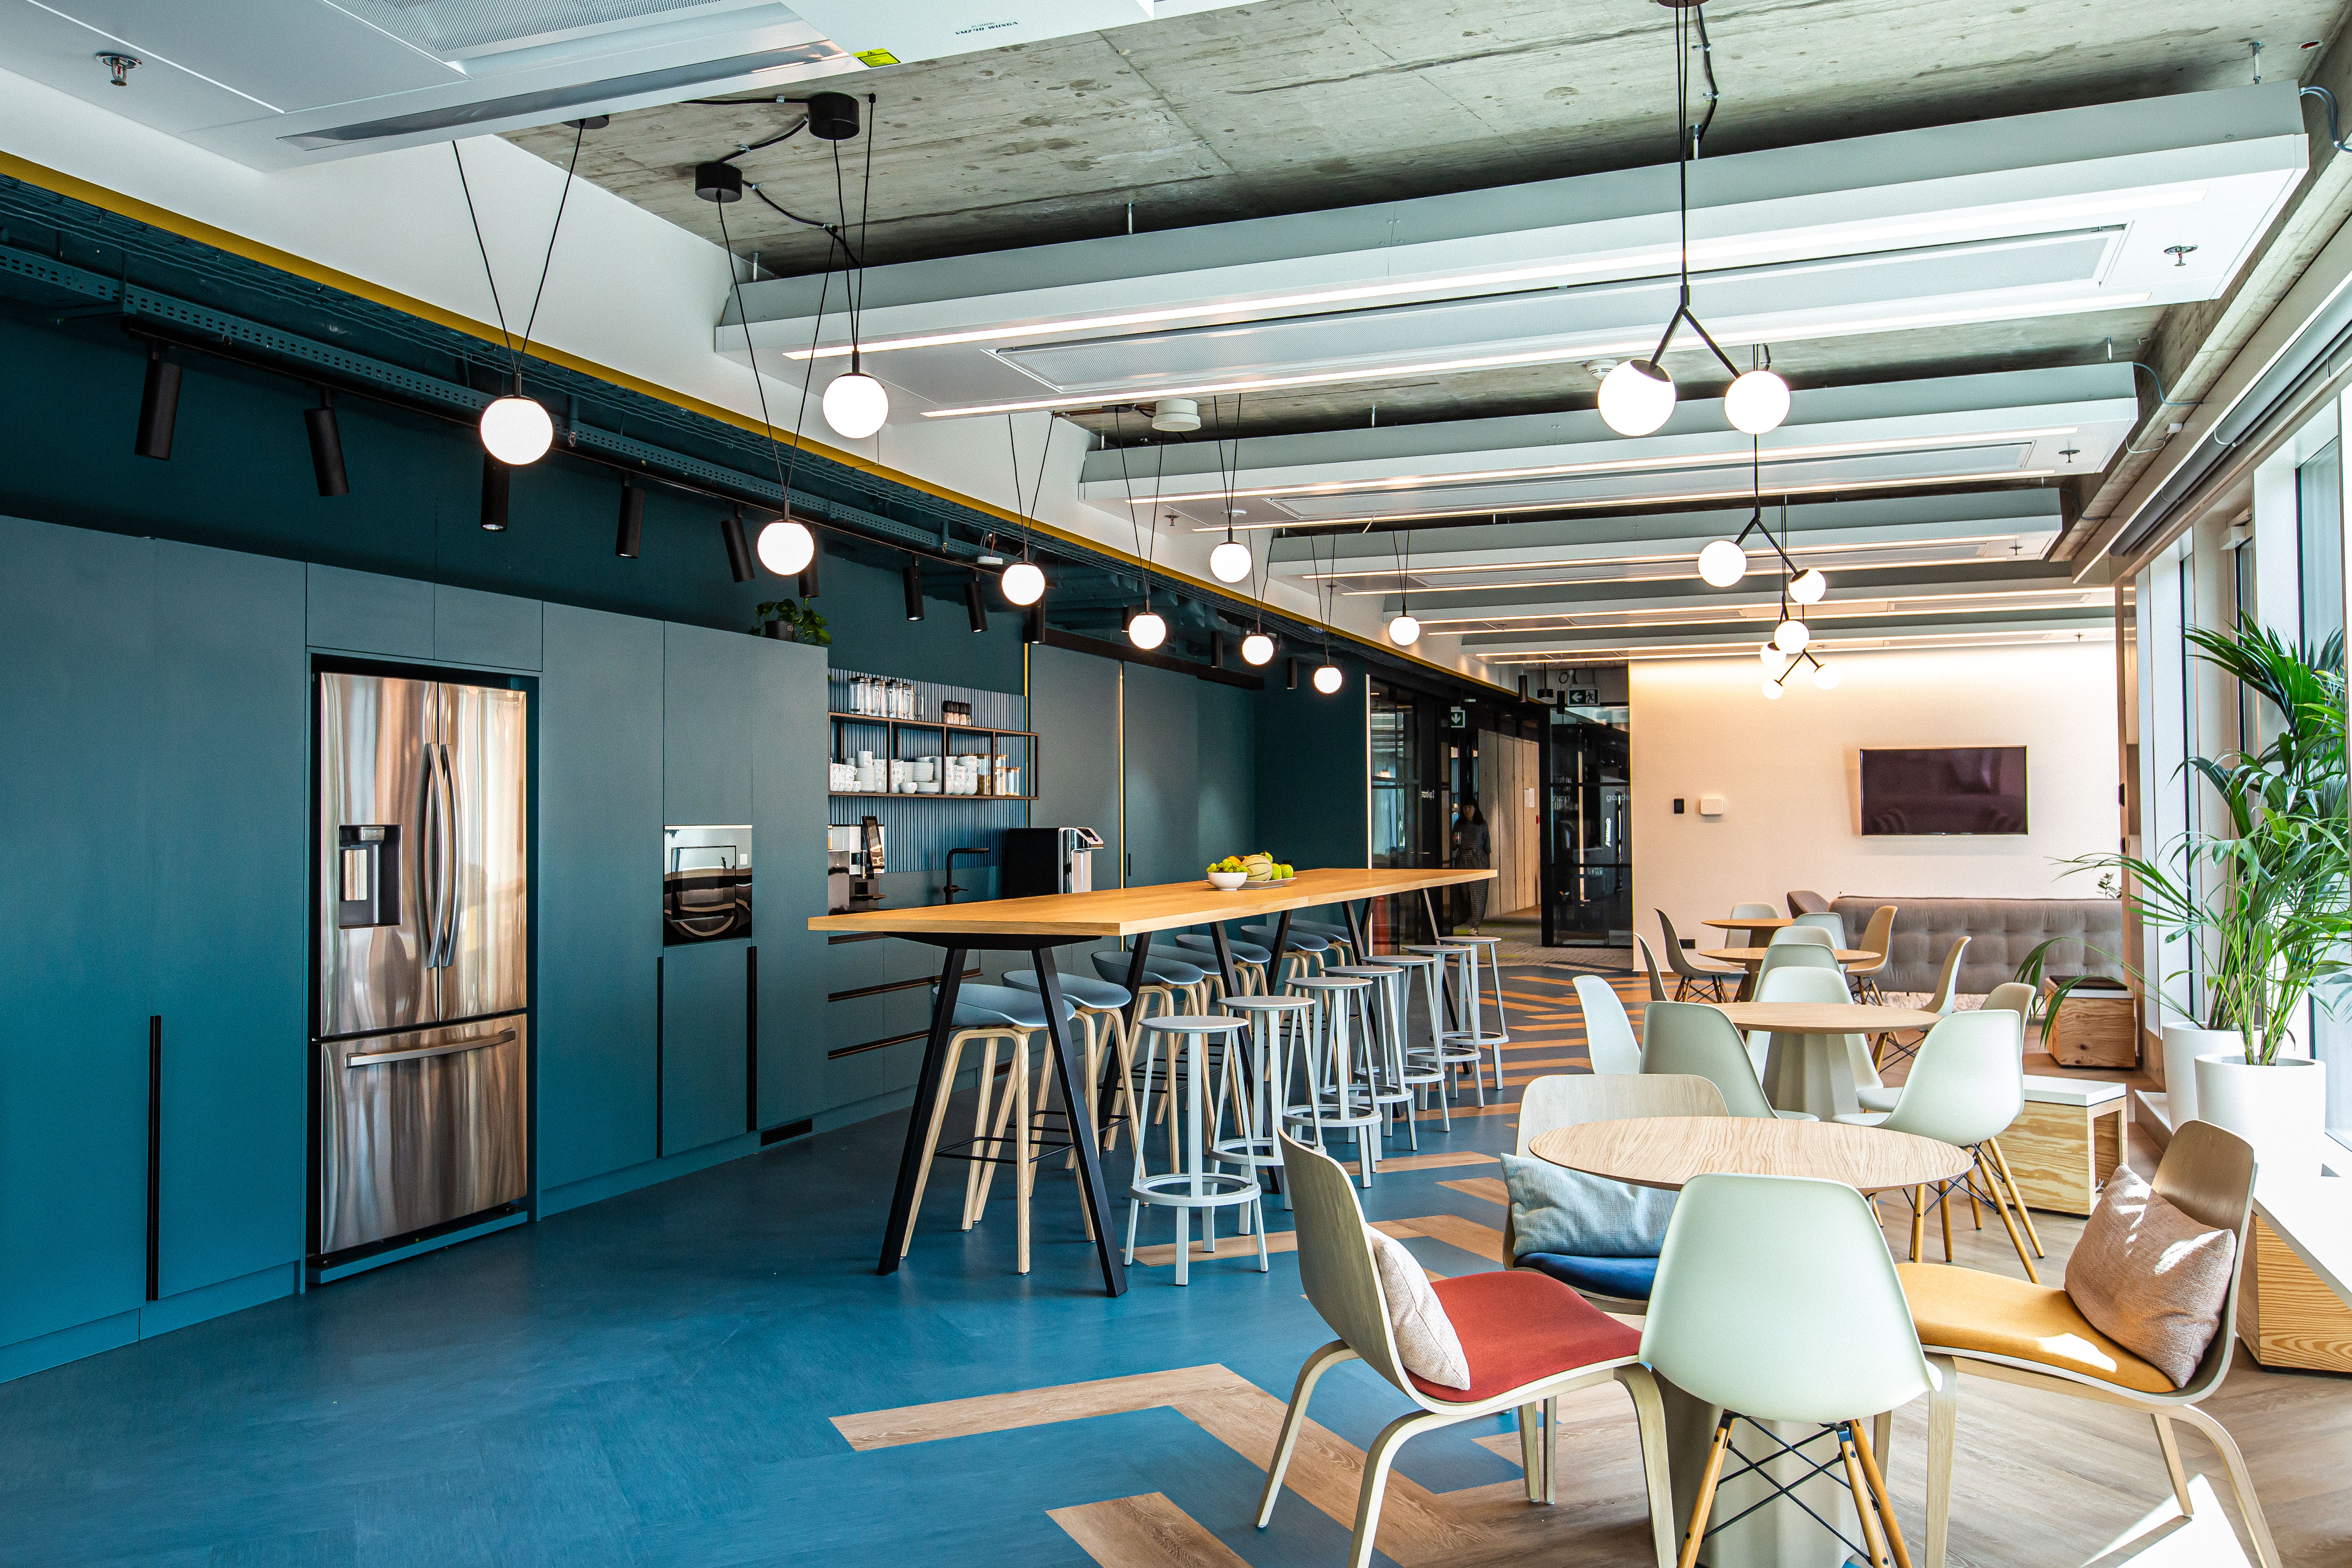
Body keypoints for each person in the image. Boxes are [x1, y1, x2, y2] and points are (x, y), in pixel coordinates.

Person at [1452, 800, 1490, 932]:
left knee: (1477, 894)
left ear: (1475, 809)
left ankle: (1476, 925)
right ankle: (1468, 920)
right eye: (1465, 808)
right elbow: (1454, 847)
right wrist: (1454, 841)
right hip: (1463, 860)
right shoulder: (1459, 824)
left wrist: (1488, 868)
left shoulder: (1482, 825)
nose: (1467, 810)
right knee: (1465, 893)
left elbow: (1487, 847)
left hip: (1479, 861)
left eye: (1470, 807)